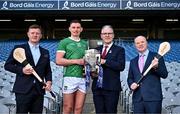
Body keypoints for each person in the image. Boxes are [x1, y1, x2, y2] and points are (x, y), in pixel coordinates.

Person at [4, 24, 52, 114]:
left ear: (41, 35)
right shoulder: (19, 49)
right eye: (32, 33)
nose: (35, 35)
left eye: (37, 33)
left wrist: (49, 82)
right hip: (23, 89)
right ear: (28, 34)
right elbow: (7, 65)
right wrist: (22, 70)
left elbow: (48, 70)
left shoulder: (45, 52)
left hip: (39, 90)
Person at [127, 35, 168, 114]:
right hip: (138, 99)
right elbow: (130, 78)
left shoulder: (157, 57)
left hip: (153, 99)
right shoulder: (133, 61)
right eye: (137, 43)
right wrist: (131, 84)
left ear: (147, 43)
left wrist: (156, 67)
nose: (140, 44)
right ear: (135, 45)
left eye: (142, 42)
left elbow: (164, 74)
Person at [56, 20, 88, 114]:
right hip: (69, 77)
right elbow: (58, 60)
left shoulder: (84, 43)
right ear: (69, 29)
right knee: (68, 107)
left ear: (81, 29)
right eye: (73, 27)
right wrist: (77, 61)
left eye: (78, 27)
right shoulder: (64, 42)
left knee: (78, 109)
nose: (76, 29)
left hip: (83, 78)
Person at [92, 25, 125, 113]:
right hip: (97, 88)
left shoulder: (119, 50)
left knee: (111, 112)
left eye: (109, 33)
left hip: (112, 88)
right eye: (105, 33)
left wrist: (105, 61)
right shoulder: (95, 50)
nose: (107, 35)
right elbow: (92, 68)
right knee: (99, 112)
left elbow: (121, 66)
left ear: (113, 35)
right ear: (101, 35)